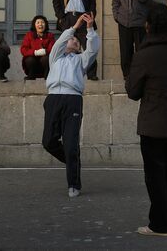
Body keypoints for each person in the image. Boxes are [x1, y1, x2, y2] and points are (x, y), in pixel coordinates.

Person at [126, 3, 167, 236]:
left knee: (155, 176)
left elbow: (133, 91)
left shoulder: (143, 55)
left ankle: (159, 224)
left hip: (154, 123)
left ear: (149, 26)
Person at [43, 13, 100, 198]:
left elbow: (92, 50)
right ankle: (72, 161)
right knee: (49, 141)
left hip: (72, 100)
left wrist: (89, 28)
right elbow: (60, 42)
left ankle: (74, 183)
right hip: (53, 99)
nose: (74, 41)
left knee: (70, 142)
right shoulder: (55, 58)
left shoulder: (80, 60)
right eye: (72, 39)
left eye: (77, 41)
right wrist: (74, 27)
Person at [52, 0, 99, 80]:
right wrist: (61, 17)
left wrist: (91, 16)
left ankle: (92, 74)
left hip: (82, 17)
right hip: (67, 18)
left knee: (88, 44)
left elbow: (93, 2)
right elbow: (56, 2)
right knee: (66, 45)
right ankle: (65, 72)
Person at [112, 0, 152, 78]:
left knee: (141, 51)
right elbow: (115, 4)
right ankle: (127, 75)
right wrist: (117, 17)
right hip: (124, 23)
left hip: (140, 23)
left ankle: (141, 74)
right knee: (125, 51)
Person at [20, 15, 56, 80]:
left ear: (46, 25)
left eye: (42, 22)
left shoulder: (50, 35)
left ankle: (47, 76)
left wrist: (45, 51)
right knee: (30, 59)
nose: (40, 24)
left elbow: (53, 49)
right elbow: (23, 50)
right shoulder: (29, 35)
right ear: (34, 25)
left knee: (46, 59)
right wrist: (35, 52)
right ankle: (31, 76)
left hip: (45, 63)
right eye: (38, 22)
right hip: (33, 63)